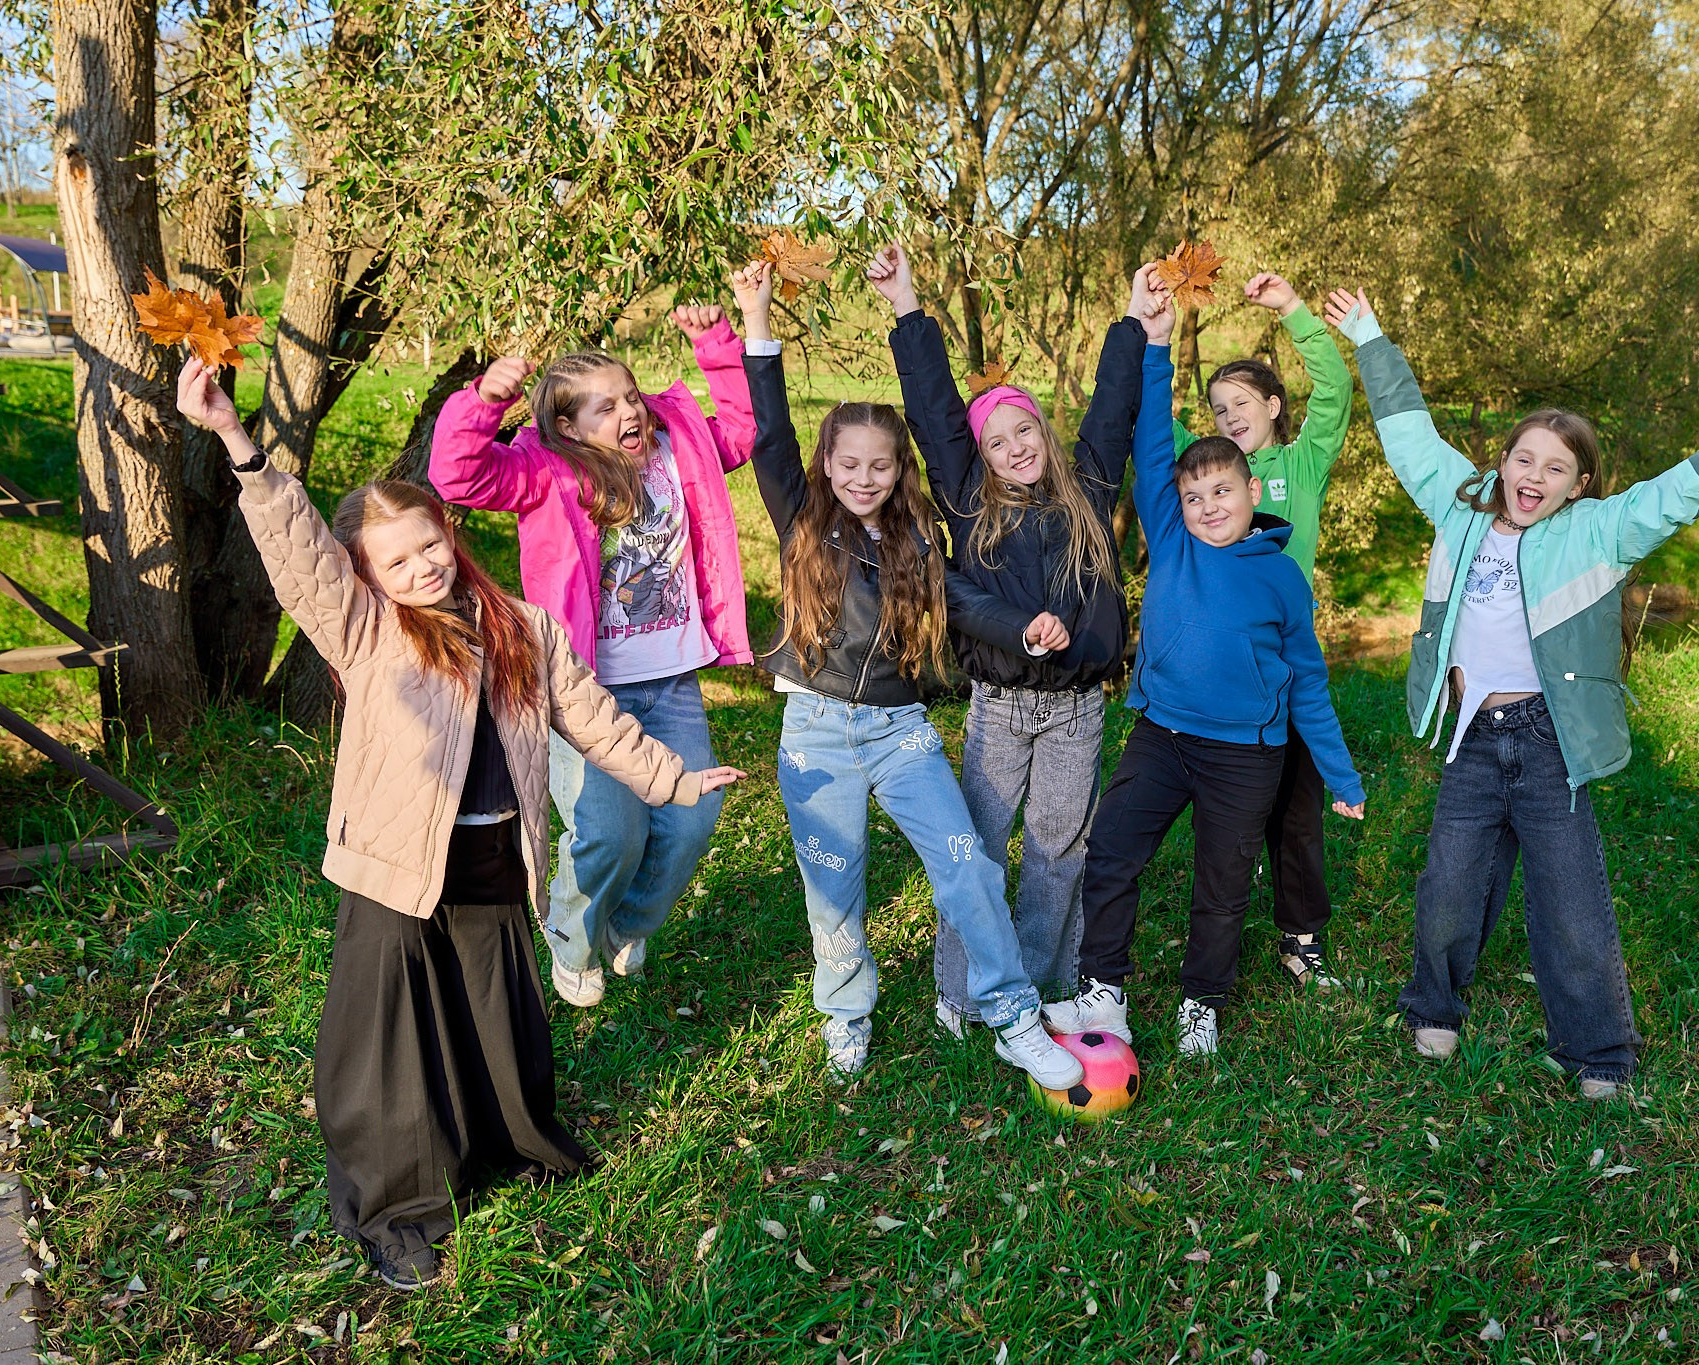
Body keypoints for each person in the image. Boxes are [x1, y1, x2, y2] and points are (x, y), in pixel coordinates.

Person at [174, 356, 742, 1289]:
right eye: (394, 562)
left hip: (490, 859)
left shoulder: (524, 626)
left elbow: (593, 719)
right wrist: (240, 443)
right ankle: (397, 1210)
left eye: (427, 545)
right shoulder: (365, 627)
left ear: (449, 528)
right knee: (394, 1048)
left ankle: (509, 1148)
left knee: (494, 1022)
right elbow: (298, 552)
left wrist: (673, 779)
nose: (420, 567)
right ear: (369, 575)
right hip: (396, 867)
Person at [1321, 285, 1699, 1099]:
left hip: (1549, 743)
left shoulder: (1603, 531)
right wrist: (1367, 334)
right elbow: (1405, 426)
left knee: (1572, 909)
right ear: (1501, 463)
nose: (1534, 475)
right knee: (1446, 889)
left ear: (1579, 485)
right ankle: (1434, 1005)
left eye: (1556, 468)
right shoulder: (1458, 504)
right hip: (1473, 734)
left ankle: (1599, 1053)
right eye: (1523, 458)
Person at [733, 259, 1082, 1089]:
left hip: (901, 734)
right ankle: (847, 1014)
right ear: (827, 467)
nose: (863, 477)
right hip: (815, 735)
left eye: (880, 466)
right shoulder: (803, 515)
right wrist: (757, 320)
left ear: (899, 471)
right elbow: (771, 435)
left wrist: (1022, 629)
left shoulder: (918, 534)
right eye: (848, 463)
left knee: (968, 866)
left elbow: (966, 600)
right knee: (836, 891)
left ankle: (1012, 1014)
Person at [1045, 298, 1366, 1057]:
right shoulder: (1175, 538)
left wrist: (1340, 772)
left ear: (1254, 493)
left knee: (1221, 887)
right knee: (1114, 850)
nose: (1207, 505)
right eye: (1193, 497)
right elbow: (1154, 447)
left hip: (1244, 755)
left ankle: (1202, 1000)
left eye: (1223, 492)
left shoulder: (1282, 580)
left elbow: (1310, 685)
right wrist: (1155, 344)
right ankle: (1105, 990)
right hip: (1162, 734)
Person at [868, 245, 1162, 1036]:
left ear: (1041, 428)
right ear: (982, 456)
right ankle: (964, 991)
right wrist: (905, 306)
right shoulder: (967, 498)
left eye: (1022, 429)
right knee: (980, 851)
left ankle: (1032, 988)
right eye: (996, 441)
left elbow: (1112, 406)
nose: (1014, 447)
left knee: (1060, 853)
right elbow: (931, 410)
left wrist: (1135, 320)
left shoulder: (1090, 486)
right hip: (999, 708)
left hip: (1075, 712)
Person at [430, 304, 757, 1007]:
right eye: (605, 408)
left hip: (670, 683)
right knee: (610, 831)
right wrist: (484, 402)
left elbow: (739, 429)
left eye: (631, 397)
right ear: (570, 428)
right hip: (584, 692)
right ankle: (572, 940)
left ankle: (627, 923)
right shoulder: (544, 472)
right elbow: (458, 476)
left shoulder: (679, 445)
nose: (629, 412)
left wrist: (715, 344)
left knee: (693, 819)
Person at [1173, 272, 1354, 987]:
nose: (1227, 417)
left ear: (1274, 406)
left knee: (1297, 811)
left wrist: (1294, 311)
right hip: (1222, 669)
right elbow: (1157, 426)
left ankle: (1299, 934)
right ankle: (1216, 923)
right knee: (1229, 810)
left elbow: (1336, 390)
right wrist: (1156, 332)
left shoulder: (1302, 464)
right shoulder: (1216, 477)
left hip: (1290, 663)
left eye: (1240, 404)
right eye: (1217, 409)